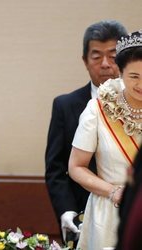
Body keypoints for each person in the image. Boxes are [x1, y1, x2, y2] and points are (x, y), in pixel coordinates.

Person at [45, 20, 127, 247]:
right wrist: (66, 211)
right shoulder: (66, 105)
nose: (105, 64)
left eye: (113, 56)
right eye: (96, 56)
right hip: (82, 215)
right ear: (85, 61)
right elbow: (56, 168)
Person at [68, 30, 142, 250]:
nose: (141, 85)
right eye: (134, 77)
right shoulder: (99, 107)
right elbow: (76, 166)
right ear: (120, 72)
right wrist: (112, 191)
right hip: (110, 210)